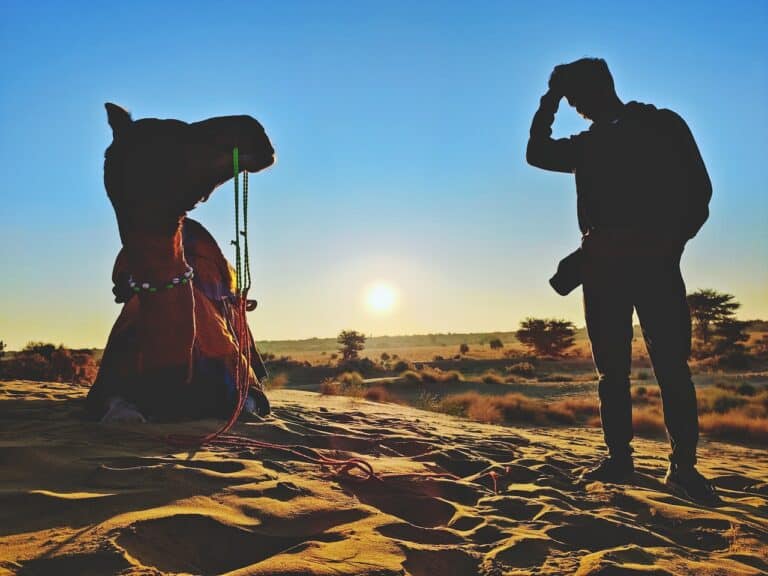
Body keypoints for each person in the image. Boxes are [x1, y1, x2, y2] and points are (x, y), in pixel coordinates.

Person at [526, 58, 718, 505]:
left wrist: (670, 245)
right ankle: (619, 460)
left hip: (655, 266)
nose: (573, 106)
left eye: (574, 97)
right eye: (567, 100)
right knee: (611, 371)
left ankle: (683, 468)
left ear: (599, 88)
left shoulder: (661, 125)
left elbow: (699, 193)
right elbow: (536, 153)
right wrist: (549, 98)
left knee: (672, 367)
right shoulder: (589, 144)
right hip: (602, 270)